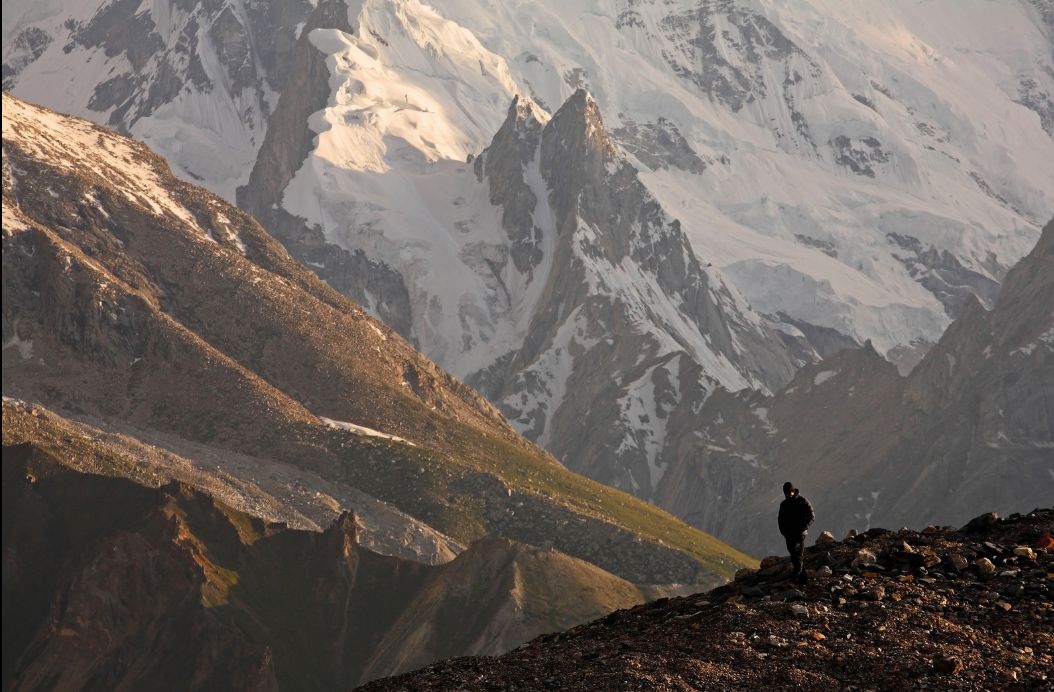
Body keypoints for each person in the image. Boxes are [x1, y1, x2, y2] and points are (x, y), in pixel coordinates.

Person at [778, 481, 815, 584]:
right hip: (789, 535)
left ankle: (794, 580)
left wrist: (803, 528)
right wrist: (784, 532)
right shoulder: (784, 504)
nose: (788, 495)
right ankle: (804, 581)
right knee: (794, 557)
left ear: (793, 491)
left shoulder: (802, 501)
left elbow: (812, 516)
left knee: (798, 556)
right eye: (786, 493)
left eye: (789, 492)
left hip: (800, 535)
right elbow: (780, 520)